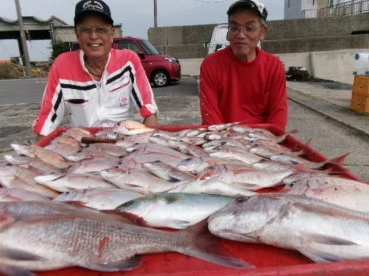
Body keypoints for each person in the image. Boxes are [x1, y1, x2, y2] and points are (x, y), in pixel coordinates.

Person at [33, 0, 158, 137]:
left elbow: (149, 111)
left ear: (112, 33)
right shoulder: (62, 66)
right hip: (83, 148)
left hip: (124, 143)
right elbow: (46, 123)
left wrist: (146, 146)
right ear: (77, 34)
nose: (93, 36)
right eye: (86, 30)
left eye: (101, 29)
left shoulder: (128, 61)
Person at [199, 0, 288, 131]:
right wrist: (228, 144)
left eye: (249, 28)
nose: (240, 35)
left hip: (261, 140)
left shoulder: (273, 66)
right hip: (222, 139)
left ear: (263, 32)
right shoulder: (211, 64)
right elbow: (210, 116)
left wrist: (265, 142)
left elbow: (278, 114)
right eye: (234, 28)